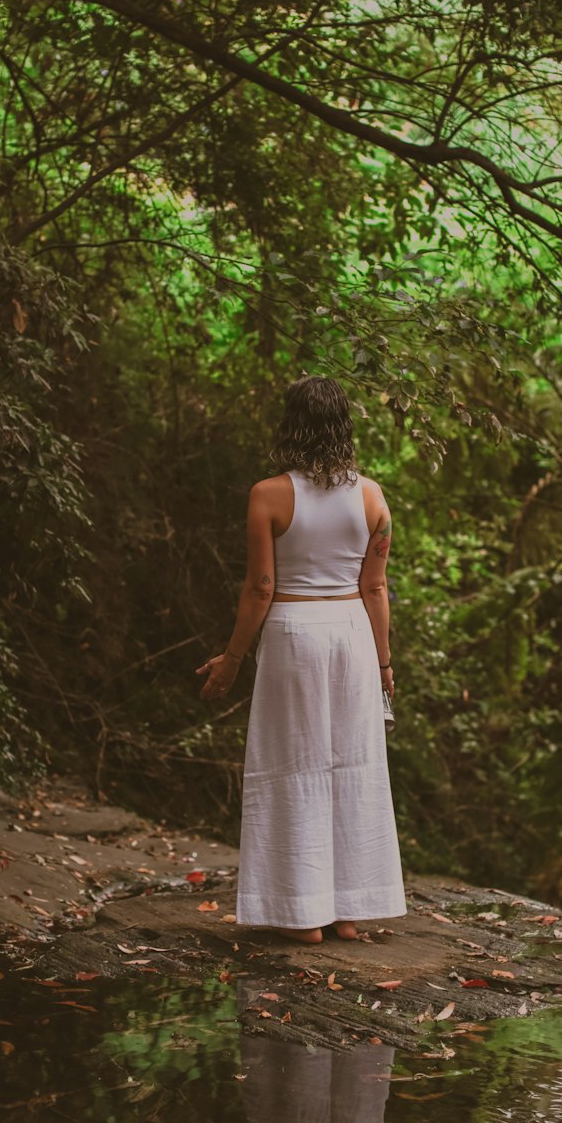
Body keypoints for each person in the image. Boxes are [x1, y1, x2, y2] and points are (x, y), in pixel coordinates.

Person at [196, 374, 407, 944]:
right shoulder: (372, 498)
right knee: (352, 763)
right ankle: (347, 912)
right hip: (353, 635)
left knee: (294, 763)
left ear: (291, 425)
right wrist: (384, 664)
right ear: (344, 425)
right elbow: (376, 588)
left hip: (294, 632)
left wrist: (232, 659)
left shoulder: (268, 495)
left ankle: (301, 914)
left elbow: (260, 589)